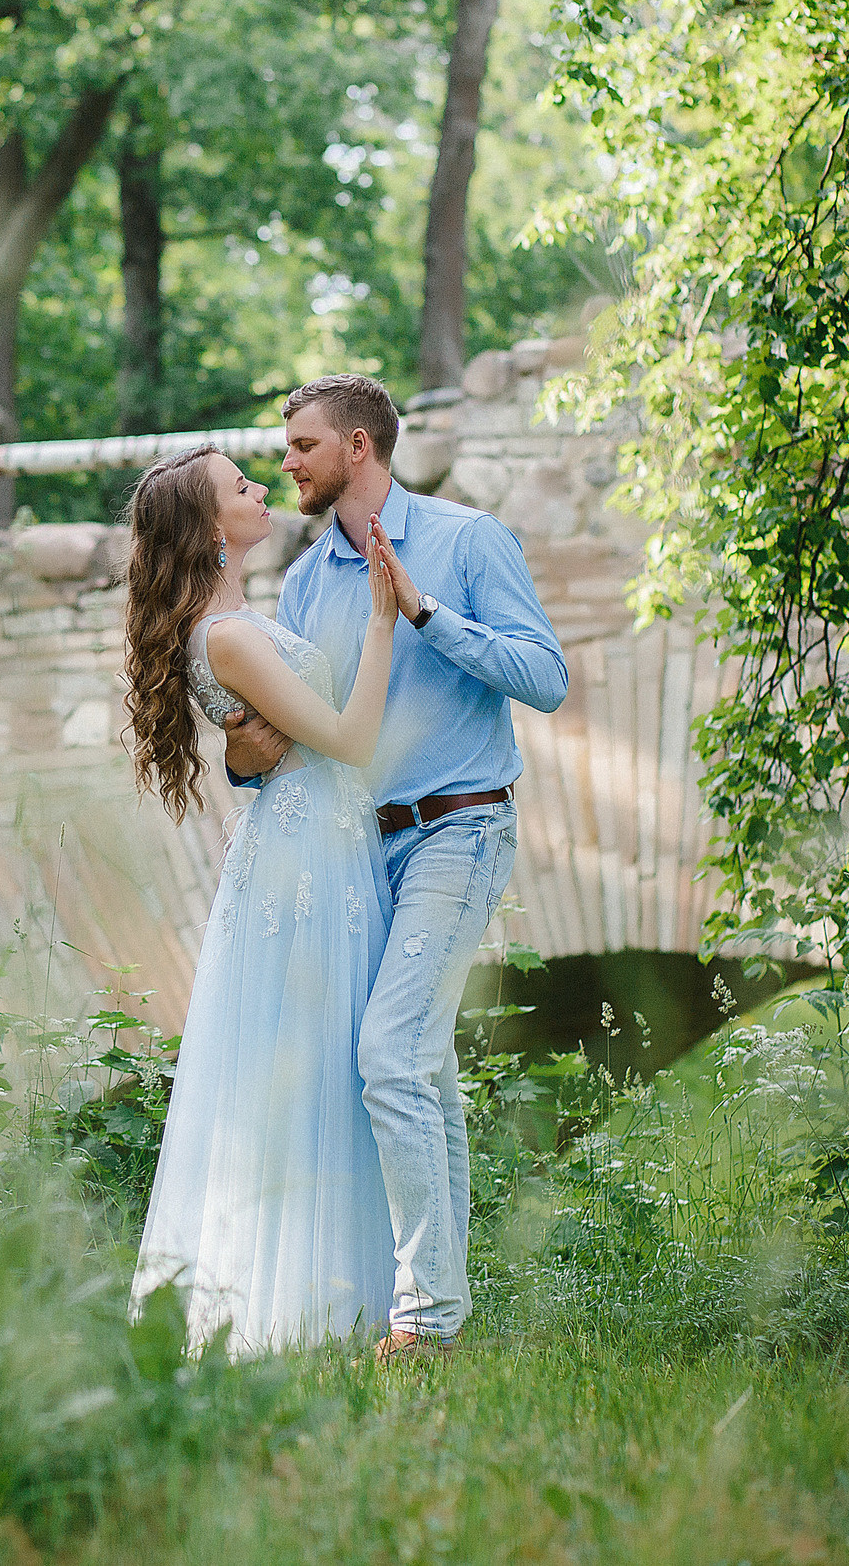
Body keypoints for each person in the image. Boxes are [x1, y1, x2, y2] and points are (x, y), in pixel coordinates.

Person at [224, 373, 567, 1360]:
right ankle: (441, 1309)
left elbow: (544, 678)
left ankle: (423, 1323)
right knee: (410, 1064)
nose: (284, 462)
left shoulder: (466, 542)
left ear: (359, 448)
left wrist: (420, 614)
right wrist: (245, 766)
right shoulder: (299, 585)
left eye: (300, 445)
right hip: (352, 851)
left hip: (458, 831)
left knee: (389, 1054)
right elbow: (308, 737)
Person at [120, 444, 407, 1352]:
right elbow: (352, 740)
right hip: (306, 859)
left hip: (310, 844)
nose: (260, 489)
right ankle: (311, 1314)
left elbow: (272, 748)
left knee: (322, 1068)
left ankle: (333, 1303)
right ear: (213, 530)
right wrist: (382, 624)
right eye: (241, 486)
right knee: (320, 1070)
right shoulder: (233, 635)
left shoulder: (237, 620)